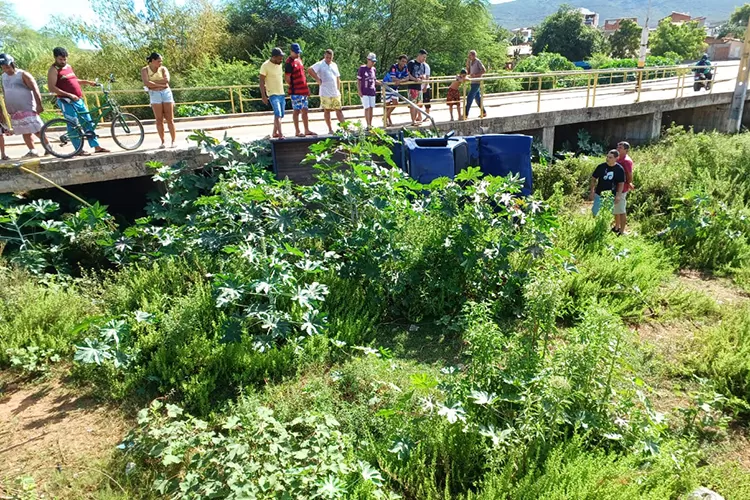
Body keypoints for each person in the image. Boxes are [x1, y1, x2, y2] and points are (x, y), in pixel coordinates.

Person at [47, 47, 109, 155]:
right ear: (55, 58)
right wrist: (69, 94)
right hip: (66, 101)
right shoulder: (53, 70)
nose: (63, 61)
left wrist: (88, 82)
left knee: (88, 121)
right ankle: (78, 149)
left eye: (65, 59)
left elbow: (74, 80)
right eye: (61, 59)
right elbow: (52, 88)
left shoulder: (68, 67)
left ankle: (96, 146)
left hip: (78, 99)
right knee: (73, 124)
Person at [0, 53, 44, 158]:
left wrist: (39, 104)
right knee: (25, 131)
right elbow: (5, 92)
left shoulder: (23, 74)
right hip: (15, 110)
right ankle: (32, 150)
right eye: (3, 66)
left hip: (27, 107)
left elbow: (35, 89)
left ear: (12, 63)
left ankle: (48, 146)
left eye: (7, 65)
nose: (5, 68)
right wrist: (7, 108)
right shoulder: (3, 77)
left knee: (36, 129)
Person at [141, 52, 176, 149]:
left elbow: (166, 81)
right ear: (152, 61)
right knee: (159, 120)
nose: (160, 63)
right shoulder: (145, 70)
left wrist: (153, 83)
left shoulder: (163, 69)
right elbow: (146, 82)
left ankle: (173, 141)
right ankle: (163, 141)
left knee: (170, 119)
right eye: (158, 61)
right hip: (154, 94)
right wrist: (159, 85)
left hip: (166, 93)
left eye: (161, 61)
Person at [589, 149, 626, 235]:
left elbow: (621, 183)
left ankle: (603, 229)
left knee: (607, 213)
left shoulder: (619, 169)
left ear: (616, 158)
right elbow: (593, 179)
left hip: (610, 195)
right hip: (599, 194)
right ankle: (594, 228)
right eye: (607, 157)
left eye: (610, 157)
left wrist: (618, 195)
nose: (608, 159)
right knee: (595, 212)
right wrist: (592, 191)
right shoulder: (601, 167)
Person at [308, 49, 345, 135]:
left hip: (334, 91)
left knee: (339, 109)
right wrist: (317, 79)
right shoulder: (320, 64)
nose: (328, 59)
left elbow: (337, 77)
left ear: (332, 57)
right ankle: (330, 128)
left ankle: (344, 127)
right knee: (327, 110)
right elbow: (310, 70)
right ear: (324, 56)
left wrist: (338, 89)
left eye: (330, 57)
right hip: (325, 91)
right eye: (327, 57)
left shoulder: (334, 65)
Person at [285, 43, 315, 137]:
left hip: (303, 90)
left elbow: (303, 75)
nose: (298, 54)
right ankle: (297, 131)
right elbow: (287, 78)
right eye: (296, 52)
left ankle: (307, 130)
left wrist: (306, 88)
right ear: (291, 51)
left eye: (298, 52)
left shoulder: (299, 60)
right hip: (295, 91)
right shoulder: (289, 62)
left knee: (305, 110)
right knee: (296, 110)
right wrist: (294, 85)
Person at [260, 47, 287, 140]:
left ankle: (274, 132)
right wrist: (263, 96)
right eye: (280, 57)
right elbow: (261, 82)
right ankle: (280, 134)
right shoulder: (265, 66)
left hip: (281, 93)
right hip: (272, 93)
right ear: (274, 57)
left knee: (281, 114)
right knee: (278, 113)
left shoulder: (279, 65)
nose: (281, 59)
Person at [383, 55, 408, 127]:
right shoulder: (393, 67)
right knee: (387, 105)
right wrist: (400, 80)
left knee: (395, 103)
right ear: (399, 61)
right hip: (387, 86)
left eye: (405, 62)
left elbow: (407, 77)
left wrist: (400, 81)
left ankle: (386, 116)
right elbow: (393, 77)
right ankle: (387, 119)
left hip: (395, 87)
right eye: (402, 61)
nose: (404, 63)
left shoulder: (405, 68)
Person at [616, 141, 634, 234]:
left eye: (620, 148)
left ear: (626, 150)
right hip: (616, 186)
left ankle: (622, 231)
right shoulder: (618, 158)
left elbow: (629, 174)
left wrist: (629, 183)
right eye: (617, 147)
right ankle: (616, 227)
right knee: (616, 208)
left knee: (621, 209)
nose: (618, 149)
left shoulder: (627, 161)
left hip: (622, 188)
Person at [406, 49, 428, 125]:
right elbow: (408, 74)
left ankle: (415, 120)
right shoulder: (411, 63)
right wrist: (415, 79)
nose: (424, 59)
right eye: (423, 57)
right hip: (412, 86)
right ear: (419, 55)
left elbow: (424, 74)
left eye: (425, 58)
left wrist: (423, 77)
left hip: (419, 87)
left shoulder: (423, 65)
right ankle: (413, 121)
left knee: (418, 104)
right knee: (413, 105)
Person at [357, 53, 378, 128]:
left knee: (371, 108)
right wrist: (359, 90)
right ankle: (368, 124)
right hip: (364, 91)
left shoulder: (373, 69)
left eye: (374, 61)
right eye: (372, 61)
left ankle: (370, 123)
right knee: (367, 108)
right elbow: (358, 80)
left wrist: (381, 83)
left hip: (372, 91)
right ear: (368, 60)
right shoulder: (362, 68)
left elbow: (374, 80)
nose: (373, 63)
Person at [465, 50, 486, 119]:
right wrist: (467, 64)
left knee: (469, 97)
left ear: (474, 55)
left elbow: (484, 70)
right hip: (472, 82)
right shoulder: (471, 62)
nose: (469, 57)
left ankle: (466, 114)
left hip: (477, 82)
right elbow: (468, 72)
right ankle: (484, 112)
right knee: (477, 99)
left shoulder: (478, 61)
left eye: (470, 55)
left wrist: (476, 75)